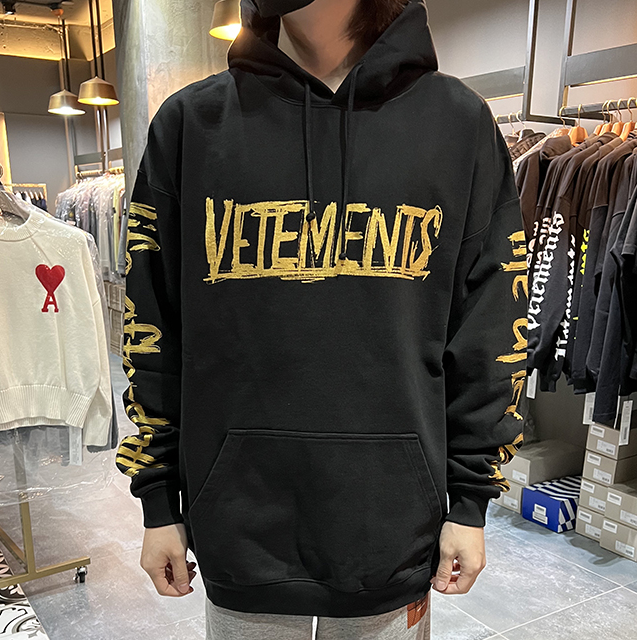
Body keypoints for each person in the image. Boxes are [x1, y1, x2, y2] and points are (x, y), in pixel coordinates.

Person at [115, 0, 527, 637]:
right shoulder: (191, 125)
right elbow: (153, 332)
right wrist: (157, 499)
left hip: (391, 533)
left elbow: (489, 331)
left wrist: (470, 501)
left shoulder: (457, 124)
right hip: (239, 530)